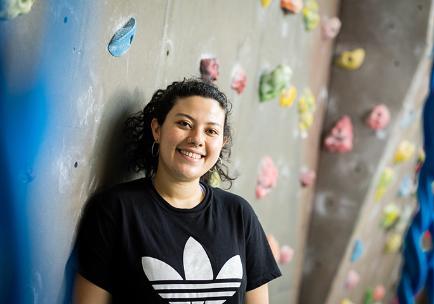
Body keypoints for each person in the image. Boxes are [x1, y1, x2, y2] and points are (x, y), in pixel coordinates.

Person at [73, 78, 281, 303]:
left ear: (222, 143)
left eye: (211, 131)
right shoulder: (116, 210)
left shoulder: (239, 213)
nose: (197, 139)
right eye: (184, 124)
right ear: (157, 129)